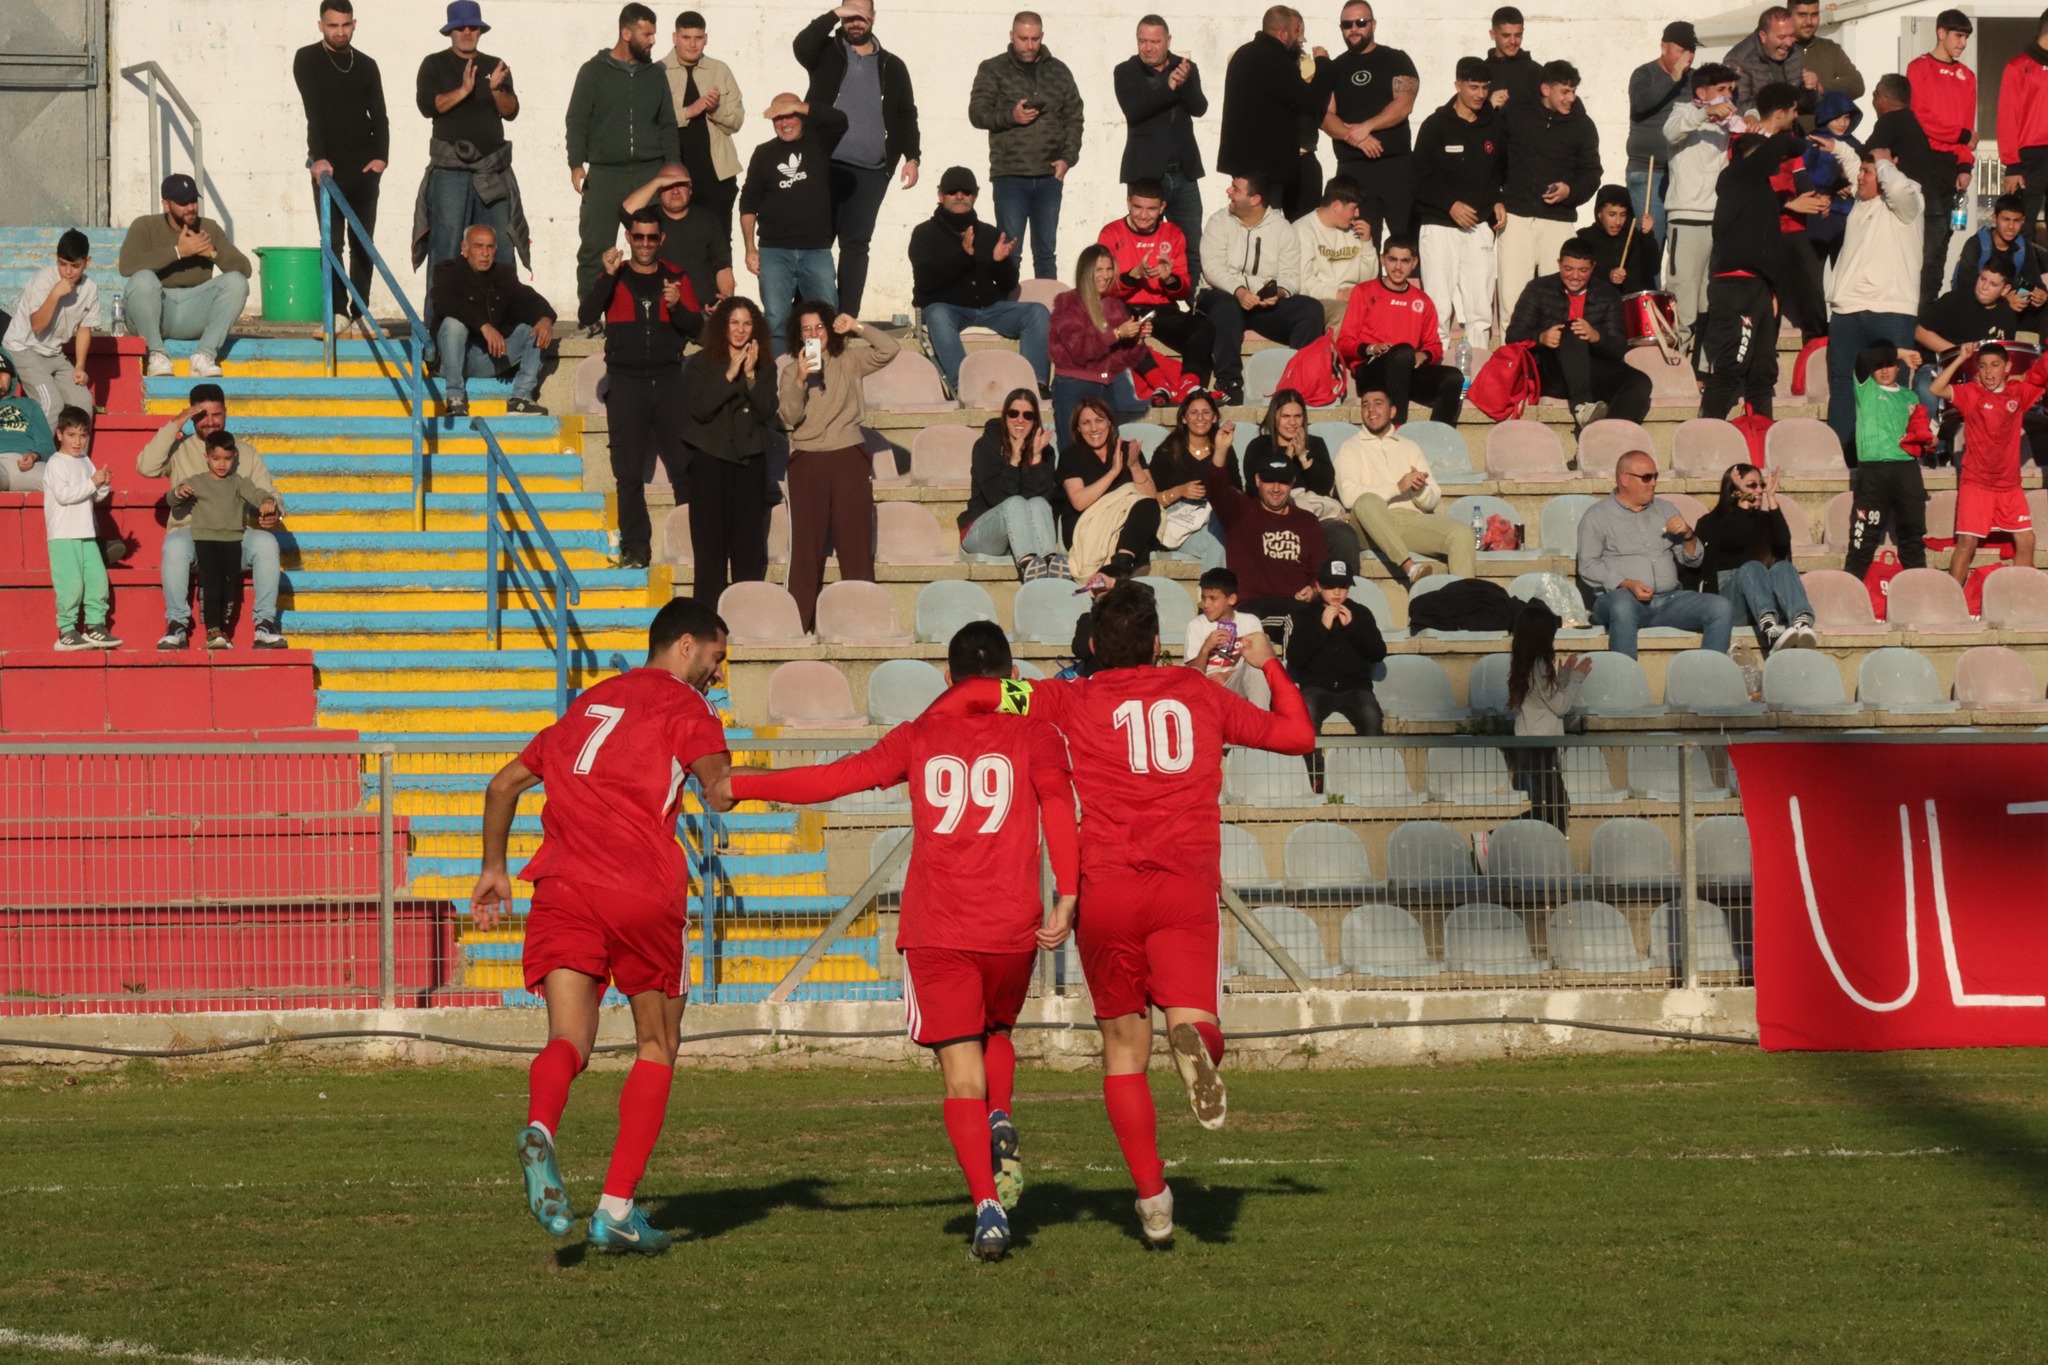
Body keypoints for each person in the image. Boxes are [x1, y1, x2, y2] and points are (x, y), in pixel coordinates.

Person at [923, 579, 1315, 1247]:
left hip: (1107, 892)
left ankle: (1152, 1199)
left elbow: (980, 693)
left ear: (1096, 646)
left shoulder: (1068, 697)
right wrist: (1267, 661)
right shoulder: (1199, 693)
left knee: (1123, 1054)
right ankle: (1197, 1048)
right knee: (1195, 1020)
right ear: (1160, 643)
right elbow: (1300, 735)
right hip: (1184, 887)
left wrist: (938, 725)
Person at [720, 620, 1078, 1260]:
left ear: (947, 678)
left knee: (959, 1072)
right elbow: (1058, 805)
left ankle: (988, 1209)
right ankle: (1002, 1117)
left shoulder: (919, 734)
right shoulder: (1036, 731)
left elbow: (834, 780)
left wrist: (743, 784)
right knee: (997, 1031)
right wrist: (1068, 892)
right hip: (1012, 924)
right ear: (1013, 679)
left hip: (940, 926)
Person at [471, 596, 735, 1256]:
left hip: (561, 884)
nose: (718, 673)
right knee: (656, 1041)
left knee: (569, 1038)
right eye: (716, 656)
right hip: (638, 885)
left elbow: (503, 785)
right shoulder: (685, 706)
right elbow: (720, 788)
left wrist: (495, 868)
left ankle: (541, 1127)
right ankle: (616, 1206)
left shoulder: (591, 702)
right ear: (685, 646)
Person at [582, 208, 700, 570]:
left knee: (687, 468)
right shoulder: (614, 276)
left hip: (668, 381)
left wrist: (677, 307)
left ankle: (695, 542)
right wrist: (607, 275)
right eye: (638, 237)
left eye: (652, 237)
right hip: (626, 383)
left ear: (661, 239)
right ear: (629, 239)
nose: (645, 244)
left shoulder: (677, 278)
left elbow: (698, 329)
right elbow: (587, 314)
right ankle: (636, 550)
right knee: (628, 474)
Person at [1698, 86, 1821, 422]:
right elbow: (1783, 144)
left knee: (1763, 371)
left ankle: (1761, 434)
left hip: (1759, 287)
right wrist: (1803, 139)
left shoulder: (1759, 193)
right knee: (1730, 367)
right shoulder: (1738, 174)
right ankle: (1708, 435)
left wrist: (1772, 292)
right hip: (1736, 287)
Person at [794, 1, 922, 319]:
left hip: (872, 171)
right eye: (849, 16)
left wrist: (912, 156)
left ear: (873, 18)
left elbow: (906, 113)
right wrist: (833, 14)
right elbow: (801, 45)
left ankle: (846, 318)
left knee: (856, 246)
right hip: (825, 164)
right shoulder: (825, 52)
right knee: (816, 241)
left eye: (861, 16)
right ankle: (805, 317)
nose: (855, 22)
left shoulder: (892, 65)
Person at [138, 384, 288, 651]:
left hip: (232, 534)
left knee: (266, 544)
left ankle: (265, 624)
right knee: (174, 545)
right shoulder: (179, 449)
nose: (210, 422)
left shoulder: (244, 452)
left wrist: (272, 509)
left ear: (226, 413)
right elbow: (146, 467)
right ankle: (176, 625)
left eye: (216, 415)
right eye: (202, 416)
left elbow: (268, 492)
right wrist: (176, 422)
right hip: (191, 534)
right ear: (192, 416)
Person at [780, 305, 900, 630]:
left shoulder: (849, 360)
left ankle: (864, 624)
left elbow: (891, 348)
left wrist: (857, 326)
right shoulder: (791, 372)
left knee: (856, 546)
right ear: (798, 334)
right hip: (807, 460)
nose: (814, 334)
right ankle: (798, 624)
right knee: (805, 550)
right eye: (807, 329)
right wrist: (802, 378)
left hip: (848, 455)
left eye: (820, 327)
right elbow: (790, 417)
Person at [566, 6, 680, 300]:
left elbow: (667, 124)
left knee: (658, 244)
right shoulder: (592, 72)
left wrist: (674, 170)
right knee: (595, 247)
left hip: (649, 174)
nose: (653, 40)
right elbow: (577, 120)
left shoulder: (655, 75)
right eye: (648, 34)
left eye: (654, 33)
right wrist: (576, 164)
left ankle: (661, 314)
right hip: (604, 174)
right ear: (626, 33)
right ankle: (590, 316)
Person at [1820, 133, 1923, 453]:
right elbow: (1855, 167)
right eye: (1862, 171)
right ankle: (1841, 462)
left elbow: (1896, 187)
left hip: (1891, 311)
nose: (1859, 179)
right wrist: (1839, 149)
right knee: (1842, 388)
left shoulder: (1910, 199)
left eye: (1868, 172)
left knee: (1889, 389)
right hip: (1847, 311)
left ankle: (1891, 458)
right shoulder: (1861, 200)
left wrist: (1883, 161)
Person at [1576, 451, 1732, 659]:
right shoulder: (1597, 516)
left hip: (1670, 600)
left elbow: (1693, 561)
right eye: (1646, 477)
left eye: (1655, 477)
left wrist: (1688, 535)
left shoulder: (1666, 509)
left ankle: (1708, 680)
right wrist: (1626, 583)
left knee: (1720, 607)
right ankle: (1626, 684)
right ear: (1624, 479)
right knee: (1622, 606)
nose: (1653, 483)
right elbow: (1588, 565)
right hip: (1621, 600)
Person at [909, 167, 1050, 396]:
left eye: (967, 191)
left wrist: (1000, 262)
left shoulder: (989, 233)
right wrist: (964, 257)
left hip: (989, 308)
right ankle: (964, 385)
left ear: (975, 196)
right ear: (940, 195)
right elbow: (926, 282)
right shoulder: (924, 233)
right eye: (952, 191)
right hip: (946, 307)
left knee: (1037, 312)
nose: (960, 196)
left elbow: (1008, 284)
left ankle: (1036, 386)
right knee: (937, 315)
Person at [293, 0, 389, 334]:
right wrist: (318, 157)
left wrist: (381, 158)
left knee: (364, 242)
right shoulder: (307, 59)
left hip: (364, 167)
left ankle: (360, 312)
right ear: (320, 25)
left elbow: (379, 115)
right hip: (329, 167)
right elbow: (314, 111)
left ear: (354, 24)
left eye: (346, 25)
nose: (340, 32)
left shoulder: (366, 64)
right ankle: (335, 312)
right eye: (333, 25)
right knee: (332, 242)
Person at [967, 12, 1084, 282]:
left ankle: (1050, 317)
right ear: (1011, 36)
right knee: (1011, 252)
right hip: (1010, 175)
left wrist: (1068, 159)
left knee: (1045, 254)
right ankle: (1010, 314)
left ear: (1042, 37)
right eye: (1023, 39)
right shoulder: (992, 68)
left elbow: (1074, 118)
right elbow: (977, 113)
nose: (1029, 45)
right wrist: (1011, 116)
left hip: (1049, 176)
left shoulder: (1059, 71)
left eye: (1034, 39)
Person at [412, 2, 524, 283]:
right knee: (447, 249)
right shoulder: (434, 63)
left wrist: (496, 89)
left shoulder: (495, 65)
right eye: (460, 27)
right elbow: (429, 106)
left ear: (480, 30)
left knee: (500, 246)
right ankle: (438, 325)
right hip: (451, 170)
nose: (466, 31)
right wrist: (464, 90)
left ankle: (502, 323)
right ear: (450, 31)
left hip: (492, 169)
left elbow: (511, 111)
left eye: (472, 26)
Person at [679, 296, 778, 604]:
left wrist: (749, 375)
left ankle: (747, 618)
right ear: (723, 325)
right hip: (710, 461)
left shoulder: (764, 366)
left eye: (747, 323)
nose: (740, 330)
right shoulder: (699, 363)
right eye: (734, 322)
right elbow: (700, 409)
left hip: (750, 462)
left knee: (748, 549)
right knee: (710, 552)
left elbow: (766, 410)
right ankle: (709, 624)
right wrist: (729, 375)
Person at [1197, 175, 1325, 406]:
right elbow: (1212, 269)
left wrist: (1280, 293)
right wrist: (1239, 291)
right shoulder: (1219, 221)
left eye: (1235, 189)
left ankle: (1298, 382)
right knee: (1225, 307)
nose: (1228, 191)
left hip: (1261, 303)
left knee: (1310, 309)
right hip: (1221, 295)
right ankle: (1229, 383)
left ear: (1255, 199)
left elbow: (1291, 276)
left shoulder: (1282, 228)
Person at [739, 95, 847, 358]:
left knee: (823, 321)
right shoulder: (764, 153)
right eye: (778, 117)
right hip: (774, 252)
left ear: (801, 115)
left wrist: (798, 106)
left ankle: (820, 376)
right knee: (777, 320)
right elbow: (748, 203)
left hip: (816, 250)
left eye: (790, 115)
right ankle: (781, 381)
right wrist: (750, 248)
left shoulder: (818, 142)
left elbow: (840, 120)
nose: (784, 123)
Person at [1930, 342, 2046, 586]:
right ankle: (1954, 602)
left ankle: (2016, 595)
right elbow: (1936, 388)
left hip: (2009, 487)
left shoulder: (2018, 391)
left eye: (1995, 365)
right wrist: (1961, 359)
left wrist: (2026, 375)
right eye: (1982, 367)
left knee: (2027, 540)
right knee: (1967, 543)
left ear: (2007, 367)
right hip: (1977, 484)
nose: (1988, 372)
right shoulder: (1971, 393)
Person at [1495, 60, 1601, 326]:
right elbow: (1494, 158)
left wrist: (1570, 191)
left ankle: (1552, 366)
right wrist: (1497, 198)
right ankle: (1512, 363)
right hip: (1516, 217)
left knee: (1559, 302)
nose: (1571, 98)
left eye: (1574, 91)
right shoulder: (1515, 114)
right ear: (1545, 89)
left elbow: (1592, 173)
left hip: (1558, 220)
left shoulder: (1583, 126)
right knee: (1513, 299)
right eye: (1564, 91)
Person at [1411, 58, 1505, 354]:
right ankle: (1434, 368)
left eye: (1485, 88)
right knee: (1438, 307)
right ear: (1458, 86)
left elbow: (1502, 172)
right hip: (1439, 226)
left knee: (1479, 308)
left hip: (1478, 227)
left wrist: (1500, 200)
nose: (1479, 94)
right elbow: (1417, 179)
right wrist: (1449, 205)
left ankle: (1477, 373)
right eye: (1473, 87)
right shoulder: (1435, 126)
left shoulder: (1495, 126)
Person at [117, 175, 251, 382]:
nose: (191, 207)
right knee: (142, 279)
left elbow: (245, 269)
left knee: (237, 282)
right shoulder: (144, 225)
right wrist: (178, 252)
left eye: (193, 201)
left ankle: (204, 357)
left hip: (194, 311)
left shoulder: (209, 228)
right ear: (166, 204)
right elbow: (127, 266)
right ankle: (156, 354)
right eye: (182, 202)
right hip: (155, 313)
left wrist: (213, 253)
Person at [1333, 388, 1475, 582]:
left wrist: (1419, 489)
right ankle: (1409, 567)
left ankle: (1468, 605)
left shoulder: (1410, 447)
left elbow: (1432, 500)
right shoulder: (1350, 448)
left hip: (1407, 521)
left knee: (1462, 534)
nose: (1370, 409)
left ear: (1392, 412)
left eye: (1378, 403)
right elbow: (1349, 496)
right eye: (1365, 405)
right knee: (1367, 501)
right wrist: (1396, 487)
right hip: (1368, 525)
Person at [1506, 240, 1652, 428]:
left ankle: (1608, 436)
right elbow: (1513, 336)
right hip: (1550, 370)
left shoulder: (1608, 294)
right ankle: (1583, 406)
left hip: (1592, 368)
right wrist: (1541, 337)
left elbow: (1618, 348)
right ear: (1559, 264)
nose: (1575, 276)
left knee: (1640, 382)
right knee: (1573, 329)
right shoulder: (1538, 288)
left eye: (1583, 270)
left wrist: (1597, 337)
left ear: (1593, 267)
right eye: (1568, 269)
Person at [1097, 180, 1214, 395]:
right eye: (1137, 207)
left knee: (1204, 328)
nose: (1143, 215)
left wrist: (1169, 279)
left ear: (1162, 208)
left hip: (1160, 310)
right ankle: (1161, 384)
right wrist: (1132, 276)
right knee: (1115, 313)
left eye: (1151, 209)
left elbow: (1184, 290)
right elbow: (1103, 288)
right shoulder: (1110, 233)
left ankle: (1189, 386)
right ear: (1128, 203)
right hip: (1125, 308)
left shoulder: (1173, 233)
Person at [1115, 16, 1208, 283]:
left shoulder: (1186, 67)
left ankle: (1193, 307)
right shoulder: (1126, 71)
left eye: (1155, 41)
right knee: (1140, 245)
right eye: (1142, 41)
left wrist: (1185, 84)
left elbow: (1199, 108)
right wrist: (1168, 87)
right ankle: (1139, 304)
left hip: (1184, 172)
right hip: (1146, 174)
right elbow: (1135, 110)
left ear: (1168, 41)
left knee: (1191, 245)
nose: (1148, 47)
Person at [1333, 236, 1462, 426]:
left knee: (1453, 378)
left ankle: (1439, 437)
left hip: (1406, 370)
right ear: (1383, 259)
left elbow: (1434, 345)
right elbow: (1343, 344)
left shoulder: (1423, 301)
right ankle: (1397, 428)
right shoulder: (1363, 292)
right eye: (1393, 260)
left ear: (1414, 263)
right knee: (1403, 352)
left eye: (1405, 261)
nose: (1398, 267)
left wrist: (1424, 355)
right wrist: (1370, 348)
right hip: (1371, 370)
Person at [429, 224, 554, 419]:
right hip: (452, 359)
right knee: (453, 325)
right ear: (464, 248)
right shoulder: (447, 271)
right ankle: (455, 398)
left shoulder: (504, 274)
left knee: (536, 328)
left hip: (489, 357)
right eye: (478, 246)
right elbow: (444, 301)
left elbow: (527, 298)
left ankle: (521, 398)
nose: (485, 253)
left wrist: (546, 318)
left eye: (490, 247)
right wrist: (483, 325)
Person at [1218, 7, 1330, 222]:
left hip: (1243, 166)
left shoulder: (1242, 55)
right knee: (1268, 228)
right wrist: (1324, 64)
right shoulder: (1276, 59)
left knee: (1250, 227)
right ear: (1283, 33)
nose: (1301, 39)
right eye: (1298, 32)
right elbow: (1309, 102)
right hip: (1269, 168)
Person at [1199, 437, 1327, 623]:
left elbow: (1320, 569)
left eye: (1282, 482)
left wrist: (1314, 590)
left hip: (1299, 606)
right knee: (1303, 621)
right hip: (1253, 608)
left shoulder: (1307, 521)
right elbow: (1215, 488)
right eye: (1269, 481)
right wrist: (1220, 450)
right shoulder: (1240, 511)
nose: (1276, 488)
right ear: (1258, 480)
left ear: (1292, 482)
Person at [1319, 2, 1418, 242]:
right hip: (1353, 171)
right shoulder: (1334, 68)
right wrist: (1355, 138)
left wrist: (1367, 127)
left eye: (1361, 23)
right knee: (1359, 247)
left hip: (1397, 168)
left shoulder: (1396, 59)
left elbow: (1404, 104)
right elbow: (1324, 117)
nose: (1354, 29)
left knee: (1407, 244)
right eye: (1347, 24)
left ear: (1373, 24)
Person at [169, 433, 277, 651]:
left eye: (227, 459)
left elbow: (256, 493)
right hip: (205, 540)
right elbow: (171, 499)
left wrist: (267, 501)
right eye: (216, 458)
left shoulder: (238, 482)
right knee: (210, 584)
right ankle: (212, 629)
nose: (221, 464)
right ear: (206, 457)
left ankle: (225, 630)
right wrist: (179, 493)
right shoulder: (197, 481)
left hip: (232, 539)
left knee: (229, 587)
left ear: (234, 457)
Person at [1695, 462, 1816, 652]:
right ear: (1734, 488)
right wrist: (1743, 500)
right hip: (1730, 605)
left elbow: (1783, 543)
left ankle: (1802, 622)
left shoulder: (1767, 519)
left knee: (1783, 567)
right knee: (1752, 566)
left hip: (1763, 600)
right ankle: (1768, 627)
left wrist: (1772, 499)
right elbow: (1735, 541)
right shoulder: (1710, 522)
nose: (1759, 490)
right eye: (1752, 485)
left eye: (1762, 485)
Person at [1286, 560, 1385, 793]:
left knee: (1371, 715)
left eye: (1343, 586)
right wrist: (1322, 628)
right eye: (1331, 586)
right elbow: (1295, 659)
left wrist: (1353, 629)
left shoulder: (1360, 613)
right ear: (1319, 586)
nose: (1338, 592)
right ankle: (1316, 780)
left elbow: (1378, 652)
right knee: (1306, 713)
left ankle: (1369, 780)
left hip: (1355, 688)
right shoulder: (1304, 614)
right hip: (1317, 687)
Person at [1662, 62, 1740, 347]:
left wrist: (1753, 117)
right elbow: (1670, 133)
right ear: (1701, 92)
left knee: (1712, 300)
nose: (1727, 96)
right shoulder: (1683, 111)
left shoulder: (1729, 122)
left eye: (1731, 90)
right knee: (1683, 298)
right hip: (1687, 219)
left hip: (1718, 220)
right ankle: (1675, 366)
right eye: (1720, 90)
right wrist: (1705, 113)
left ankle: (1704, 369)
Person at [1843, 341, 1932, 580]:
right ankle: (1851, 591)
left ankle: (1919, 591)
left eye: (1889, 365)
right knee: (1863, 539)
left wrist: (1927, 442)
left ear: (1898, 369)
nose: (1884, 371)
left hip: (1907, 471)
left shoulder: (1909, 395)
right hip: (1874, 472)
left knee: (1913, 537)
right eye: (1879, 366)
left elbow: (1919, 432)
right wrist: (1903, 353)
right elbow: (1863, 355)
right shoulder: (1866, 388)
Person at [1907, 10, 1977, 311]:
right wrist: (1960, 135)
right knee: (1928, 239)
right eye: (1958, 36)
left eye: (1965, 37)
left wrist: (1965, 165)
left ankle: (1928, 310)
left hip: (1950, 164)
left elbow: (1968, 130)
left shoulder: (1967, 76)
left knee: (1944, 240)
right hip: (1924, 162)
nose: (1962, 43)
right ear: (1941, 33)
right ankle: (1915, 309)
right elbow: (1921, 119)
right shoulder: (1919, 68)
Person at [1049, 245, 1154, 440]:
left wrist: (1137, 340)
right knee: (1072, 453)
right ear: (1086, 271)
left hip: (1105, 387)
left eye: (1109, 269)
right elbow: (1080, 350)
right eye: (1099, 270)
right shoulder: (1068, 303)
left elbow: (1119, 361)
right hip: (1074, 386)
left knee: (1111, 451)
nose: (1105, 275)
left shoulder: (1113, 305)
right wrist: (1117, 333)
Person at [963, 388, 1066, 581]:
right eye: (1013, 413)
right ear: (1005, 416)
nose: (1020, 420)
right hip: (981, 533)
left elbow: (1040, 497)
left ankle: (1050, 559)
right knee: (1015, 502)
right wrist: (1014, 462)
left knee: (1038, 503)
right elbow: (996, 498)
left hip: (1018, 534)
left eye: (1027, 415)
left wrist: (1035, 458)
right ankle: (1028, 564)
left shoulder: (1044, 450)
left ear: (1035, 420)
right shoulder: (986, 446)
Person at [660, 12, 745, 238]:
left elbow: (736, 121)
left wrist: (714, 110)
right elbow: (649, 122)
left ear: (705, 39)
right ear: (674, 37)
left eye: (698, 38)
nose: (692, 44)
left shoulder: (720, 70)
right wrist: (689, 111)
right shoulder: (657, 72)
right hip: (672, 177)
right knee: (673, 244)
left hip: (716, 177)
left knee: (718, 245)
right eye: (686, 37)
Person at [1505, 601, 1587, 833]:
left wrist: (1563, 676)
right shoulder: (1539, 666)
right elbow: (1560, 706)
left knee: (1554, 806)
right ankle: (1491, 839)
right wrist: (1577, 679)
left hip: (1531, 742)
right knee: (1557, 808)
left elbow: (1543, 700)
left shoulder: (1525, 664)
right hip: (1539, 745)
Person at [1915, 263, 2022, 441]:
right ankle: (1930, 447)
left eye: (1994, 284)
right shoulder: (1954, 300)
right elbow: (1921, 332)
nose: (1984, 287)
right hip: (1939, 367)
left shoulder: (2007, 315)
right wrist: (1959, 353)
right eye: (1982, 279)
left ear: (2006, 289)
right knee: (1926, 389)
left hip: (1980, 375)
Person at [43, 407, 118, 652]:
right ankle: (66, 630)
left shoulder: (85, 460)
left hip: (86, 532)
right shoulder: (55, 463)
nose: (78, 441)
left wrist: (103, 483)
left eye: (83, 435)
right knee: (71, 584)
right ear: (59, 434)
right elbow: (64, 496)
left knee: (97, 580)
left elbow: (94, 496)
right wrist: (92, 482)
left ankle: (96, 626)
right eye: (72, 435)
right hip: (63, 535)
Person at [4, 229, 98, 423]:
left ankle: (75, 455)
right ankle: (40, 454)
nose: (68, 271)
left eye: (75, 266)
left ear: (87, 262)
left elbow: (84, 328)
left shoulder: (90, 288)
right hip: (23, 348)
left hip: (54, 353)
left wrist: (80, 366)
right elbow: (37, 326)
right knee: (51, 404)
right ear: (56, 258)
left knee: (83, 402)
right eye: (62, 264)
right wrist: (55, 294)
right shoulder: (44, 280)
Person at [621, 164, 735, 312]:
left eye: (681, 184)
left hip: (703, 310)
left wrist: (726, 298)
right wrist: (657, 182)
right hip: (660, 311)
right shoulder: (651, 220)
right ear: (658, 190)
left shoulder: (708, 219)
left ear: (690, 189)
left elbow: (722, 266)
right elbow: (625, 212)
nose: (675, 191)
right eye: (668, 185)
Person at [1626, 22, 1696, 260]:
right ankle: (1649, 296)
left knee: (1682, 248)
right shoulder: (1644, 74)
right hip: (1649, 172)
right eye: (1681, 50)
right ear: (1664, 47)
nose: (1687, 56)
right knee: (1650, 244)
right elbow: (1640, 103)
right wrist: (1672, 79)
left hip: (1684, 174)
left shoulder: (1695, 80)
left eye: (1692, 50)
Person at [1057, 397, 1150, 566]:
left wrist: (1135, 466)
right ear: (1078, 428)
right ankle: (1126, 566)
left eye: (1099, 420)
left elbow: (1151, 498)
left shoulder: (1129, 450)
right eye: (1086, 423)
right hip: (1087, 527)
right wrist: (1113, 473)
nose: (1094, 428)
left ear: (1109, 423)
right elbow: (1079, 502)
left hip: (1124, 527)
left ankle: (1122, 562)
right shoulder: (1070, 456)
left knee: (1147, 508)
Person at [1293, 179, 1376, 326]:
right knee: (1345, 312)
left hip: (1355, 298)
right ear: (1336, 205)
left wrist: (1367, 244)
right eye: (1354, 208)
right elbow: (1303, 284)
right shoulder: (1303, 230)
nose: (1357, 214)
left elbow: (1368, 281)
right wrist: (1340, 294)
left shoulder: (1354, 231)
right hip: (1317, 301)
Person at [1998, 10, 2048, 246]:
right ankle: (2022, 281)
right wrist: (2013, 164)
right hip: (2029, 159)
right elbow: (2007, 117)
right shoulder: (2018, 65)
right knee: (2022, 226)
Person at [1184, 566, 1270, 701]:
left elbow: (1261, 661)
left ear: (1231, 599)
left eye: (1213, 599)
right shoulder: (1196, 626)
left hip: (1237, 683)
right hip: (1207, 686)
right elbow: (1193, 675)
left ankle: (1260, 719)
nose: (1206, 604)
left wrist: (1228, 675)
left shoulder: (1250, 622)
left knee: (1258, 670)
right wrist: (1206, 648)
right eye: (1203, 598)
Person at [1803, 92, 1864, 276]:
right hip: (1819, 215)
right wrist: (1834, 186)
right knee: (1813, 272)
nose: (1842, 123)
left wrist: (1851, 185)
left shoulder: (1855, 144)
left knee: (1846, 274)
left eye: (1846, 117)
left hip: (1848, 215)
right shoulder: (1812, 142)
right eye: (1836, 117)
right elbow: (1806, 175)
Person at [1724, 5, 1810, 117]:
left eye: (1792, 35)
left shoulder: (1794, 52)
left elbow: (1808, 107)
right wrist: (1777, 103)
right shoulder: (1739, 60)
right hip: (1755, 131)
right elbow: (1735, 107)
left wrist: (1810, 91)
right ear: (1763, 36)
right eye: (1781, 37)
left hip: (1791, 129)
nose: (1789, 43)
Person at [1572, 186, 1659, 296]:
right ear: (1599, 213)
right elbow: (1576, 275)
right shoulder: (1584, 238)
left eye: (1623, 215)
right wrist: (1608, 275)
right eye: (1612, 214)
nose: (1618, 222)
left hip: (1634, 304)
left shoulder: (1635, 236)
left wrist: (1647, 236)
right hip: (1599, 304)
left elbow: (1653, 269)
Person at [1790, 0, 1864, 110]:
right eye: (1802, 15)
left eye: (1814, 15)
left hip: (1825, 126)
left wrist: (1821, 87)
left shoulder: (1830, 48)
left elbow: (1857, 85)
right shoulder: (1779, 50)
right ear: (1789, 16)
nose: (1809, 21)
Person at [0, 350, 54, 493]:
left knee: (70, 484)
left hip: (26, 465)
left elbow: (47, 445)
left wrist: (34, 455)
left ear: (11, 376)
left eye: (3, 372)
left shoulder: (30, 405)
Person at [1484, 6, 1543, 111]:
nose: (1513, 41)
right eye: (1506, 35)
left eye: (1518, 35)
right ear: (1493, 34)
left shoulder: (1537, 72)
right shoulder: (1480, 72)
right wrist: (1488, 107)